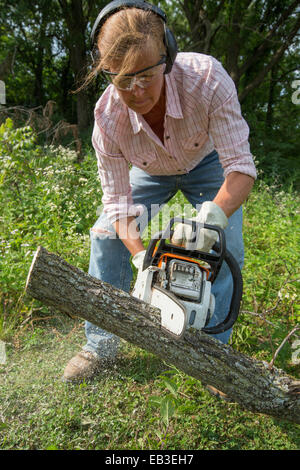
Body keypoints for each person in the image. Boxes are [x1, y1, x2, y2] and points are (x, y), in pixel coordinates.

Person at [63, 0, 256, 384]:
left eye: (146, 75)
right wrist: (141, 260)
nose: (136, 90)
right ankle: (100, 344)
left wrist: (214, 217)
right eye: (122, 79)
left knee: (226, 246)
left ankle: (214, 355)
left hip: (206, 162)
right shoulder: (107, 120)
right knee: (105, 235)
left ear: (166, 54)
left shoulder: (207, 80)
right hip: (150, 172)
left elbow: (240, 167)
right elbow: (117, 204)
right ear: (107, 74)